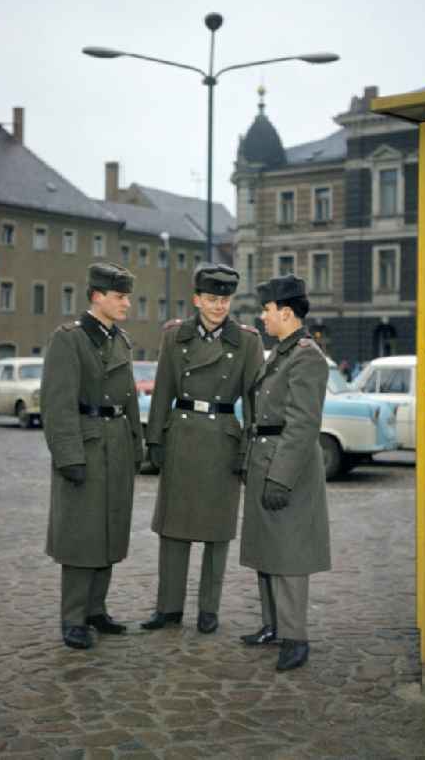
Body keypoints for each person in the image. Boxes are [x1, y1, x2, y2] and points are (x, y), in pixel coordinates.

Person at [142, 262, 264, 634]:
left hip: (223, 438)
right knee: (173, 529)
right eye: (211, 299)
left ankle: (208, 610)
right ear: (196, 299)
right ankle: (168, 609)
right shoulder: (174, 337)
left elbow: (255, 401)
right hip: (182, 436)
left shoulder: (247, 341)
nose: (218, 306)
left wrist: (248, 449)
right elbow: (162, 390)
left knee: (217, 531)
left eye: (224, 300)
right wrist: (155, 440)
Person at [40, 261, 143, 650]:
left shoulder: (119, 339)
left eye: (127, 297)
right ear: (97, 296)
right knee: (82, 535)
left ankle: (96, 609)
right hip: (85, 445)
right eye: (119, 296)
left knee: (109, 529)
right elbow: (57, 403)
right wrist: (69, 456)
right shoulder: (70, 339)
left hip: (114, 443)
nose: (126, 304)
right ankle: (73, 618)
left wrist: (136, 444)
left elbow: (129, 397)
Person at [239, 274, 331, 671]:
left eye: (267, 310)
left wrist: (281, 476)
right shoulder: (280, 352)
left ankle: (295, 637)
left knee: (290, 552)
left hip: (287, 466)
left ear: (286, 313)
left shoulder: (306, 356)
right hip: (265, 459)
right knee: (268, 549)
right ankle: (272, 625)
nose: (262, 317)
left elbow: (302, 424)